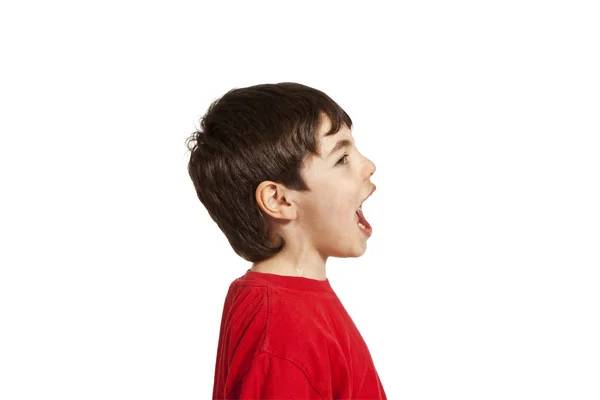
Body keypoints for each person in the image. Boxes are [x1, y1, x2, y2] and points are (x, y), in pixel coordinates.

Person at [185, 82, 386, 399]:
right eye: (341, 158)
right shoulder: (283, 330)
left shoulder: (293, 306)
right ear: (279, 200)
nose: (368, 166)